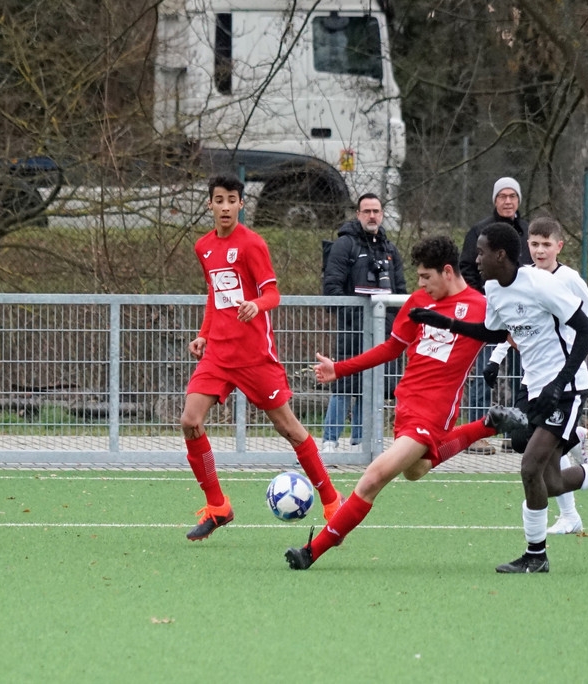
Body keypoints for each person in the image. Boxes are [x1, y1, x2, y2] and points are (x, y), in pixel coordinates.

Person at [410, 222, 588, 574]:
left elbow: (587, 329)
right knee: (551, 481)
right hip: (535, 388)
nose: (476, 260)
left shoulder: (542, 284)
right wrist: (445, 322)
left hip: (566, 388)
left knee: (530, 467)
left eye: (481, 253)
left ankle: (536, 555)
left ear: (500, 255)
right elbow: (494, 332)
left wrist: (560, 384)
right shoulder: (494, 287)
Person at [285, 235, 528, 570]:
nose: (420, 284)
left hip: (435, 412)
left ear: (447, 272)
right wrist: (339, 369)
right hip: (406, 405)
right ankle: (486, 425)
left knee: (374, 477)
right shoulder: (419, 301)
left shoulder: (482, 307)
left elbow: (523, 339)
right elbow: (391, 349)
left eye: (426, 276)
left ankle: (314, 549)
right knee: (415, 470)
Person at [181, 174, 343, 540]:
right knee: (190, 420)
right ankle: (218, 507)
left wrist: (256, 305)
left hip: (255, 356)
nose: (225, 207)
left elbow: (273, 294)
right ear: (210, 204)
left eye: (232, 200)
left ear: (241, 204)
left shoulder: (253, 244)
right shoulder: (203, 246)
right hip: (218, 354)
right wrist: (204, 334)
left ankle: (333, 502)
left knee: (289, 429)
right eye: (219, 200)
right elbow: (214, 295)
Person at [485, 214, 588, 535]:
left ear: (559, 246)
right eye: (535, 244)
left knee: (535, 455)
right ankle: (577, 442)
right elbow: (513, 325)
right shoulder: (519, 279)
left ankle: (551, 532)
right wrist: (496, 358)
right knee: (523, 445)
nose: (540, 250)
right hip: (532, 378)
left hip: (561, 379)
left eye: (546, 244)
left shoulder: (568, 280)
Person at [321, 193, 406, 451]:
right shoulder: (345, 245)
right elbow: (332, 288)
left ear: (382, 214)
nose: (372, 216)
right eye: (367, 211)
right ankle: (330, 440)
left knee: (372, 385)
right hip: (352, 329)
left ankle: (360, 441)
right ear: (358, 214)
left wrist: (388, 324)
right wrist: (359, 318)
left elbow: (400, 292)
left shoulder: (390, 250)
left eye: (376, 211)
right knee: (344, 382)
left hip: (383, 333)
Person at [458, 177, 532, 451]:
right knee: (483, 373)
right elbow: (467, 268)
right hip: (490, 316)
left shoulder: (528, 231)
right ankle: (477, 434)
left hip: (524, 317)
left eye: (512, 196)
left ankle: (516, 434)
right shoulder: (479, 231)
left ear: (519, 200)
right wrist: (485, 298)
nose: (508, 201)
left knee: (522, 375)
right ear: (495, 200)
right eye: (503, 196)